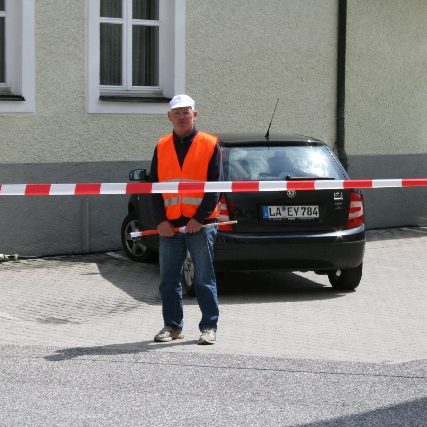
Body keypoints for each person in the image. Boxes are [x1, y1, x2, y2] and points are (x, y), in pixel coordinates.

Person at [149, 94, 222, 345]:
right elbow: (154, 187)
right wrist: (160, 221)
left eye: (186, 112)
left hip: (200, 225)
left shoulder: (210, 144)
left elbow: (215, 188)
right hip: (170, 226)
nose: (182, 117)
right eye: (177, 113)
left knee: (203, 278)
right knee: (169, 280)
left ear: (195, 115)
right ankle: (172, 326)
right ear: (169, 117)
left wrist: (199, 218)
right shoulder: (161, 146)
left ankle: (209, 327)